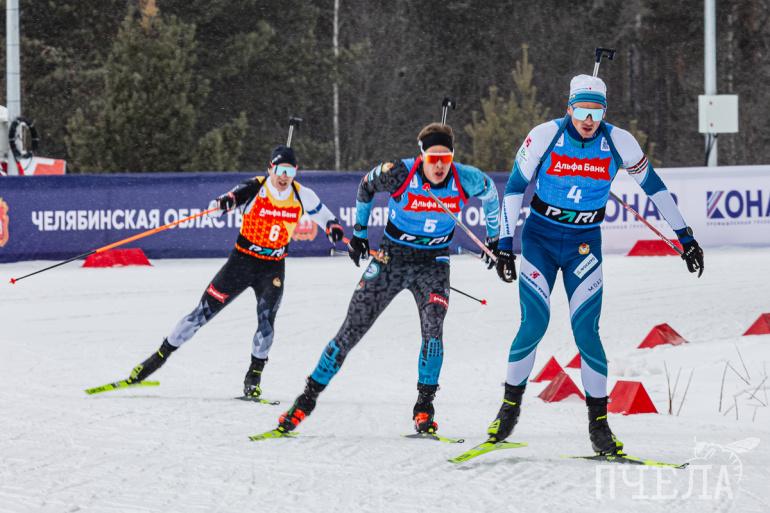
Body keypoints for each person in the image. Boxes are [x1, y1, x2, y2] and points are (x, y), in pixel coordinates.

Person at [486, 75, 704, 454]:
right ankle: (508, 409)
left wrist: (685, 237)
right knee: (533, 323)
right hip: (540, 241)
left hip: (584, 245)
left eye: (597, 112)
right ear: (569, 107)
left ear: (605, 112)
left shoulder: (619, 142)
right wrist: (505, 244)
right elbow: (516, 187)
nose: (589, 120)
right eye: (582, 111)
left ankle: (599, 426)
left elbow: (654, 188)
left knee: (587, 332)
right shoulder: (545, 135)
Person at [271, 122, 500, 435]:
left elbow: (491, 194)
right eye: (433, 159)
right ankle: (305, 400)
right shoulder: (399, 172)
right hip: (392, 259)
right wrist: (360, 234)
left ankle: (424, 407)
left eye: (445, 159)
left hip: (433, 263)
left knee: (433, 328)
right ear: (421, 157)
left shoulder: (466, 177)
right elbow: (365, 186)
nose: (439, 167)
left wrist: (494, 240)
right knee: (352, 329)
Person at [124, 145, 344, 399]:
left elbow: (324, 215)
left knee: (266, 323)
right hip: (241, 263)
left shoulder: (302, 194)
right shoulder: (255, 187)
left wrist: (332, 227)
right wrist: (222, 204)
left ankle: (254, 377)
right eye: (280, 170)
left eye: (290, 171)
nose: (284, 177)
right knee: (201, 314)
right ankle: (156, 359)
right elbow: (224, 201)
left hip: (272, 267)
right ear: (270, 169)